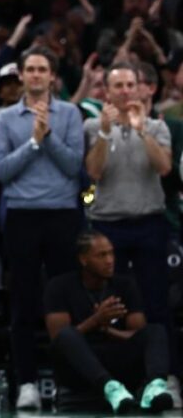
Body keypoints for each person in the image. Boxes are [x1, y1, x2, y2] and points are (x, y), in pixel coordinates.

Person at [0, 47, 85, 410]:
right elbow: (1, 171)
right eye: (29, 69)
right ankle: (27, 383)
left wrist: (48, 137)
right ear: (21, 75)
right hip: (22, 215)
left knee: (66, 302)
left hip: (62, 214)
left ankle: (68, 381)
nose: (35, 74)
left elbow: (74, 166)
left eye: (42, 69)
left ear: (52, 76)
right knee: (23, 302)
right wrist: (33, 143)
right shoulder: (5, 119)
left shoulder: (71, 113)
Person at [84, 63, 172, 343]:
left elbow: (164, 167)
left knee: (156, 299)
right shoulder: (92, 126)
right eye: (118, 86)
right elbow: (93, 172)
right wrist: (104, 133)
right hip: (108, 225)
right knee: (113, 302)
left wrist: (142, 131)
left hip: (149, 223)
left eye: (130, 85)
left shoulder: (157, 126)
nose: (125, 91)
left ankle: (164, 364)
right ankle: (116, 363)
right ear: (107, 92)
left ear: (139, 89)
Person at [44, 231, 173, 413]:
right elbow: (58, 341)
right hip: (80, 364)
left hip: (116, 355)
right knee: (66, 335)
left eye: (111, 253)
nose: (110, 260)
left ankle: (154, 387)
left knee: (155, 331)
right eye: (102, 255)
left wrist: (107, 330)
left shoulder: (125, 285)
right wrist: (95, 320)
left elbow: (138, 334)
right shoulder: (59, 286)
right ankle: (111, 389)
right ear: (83, 259)